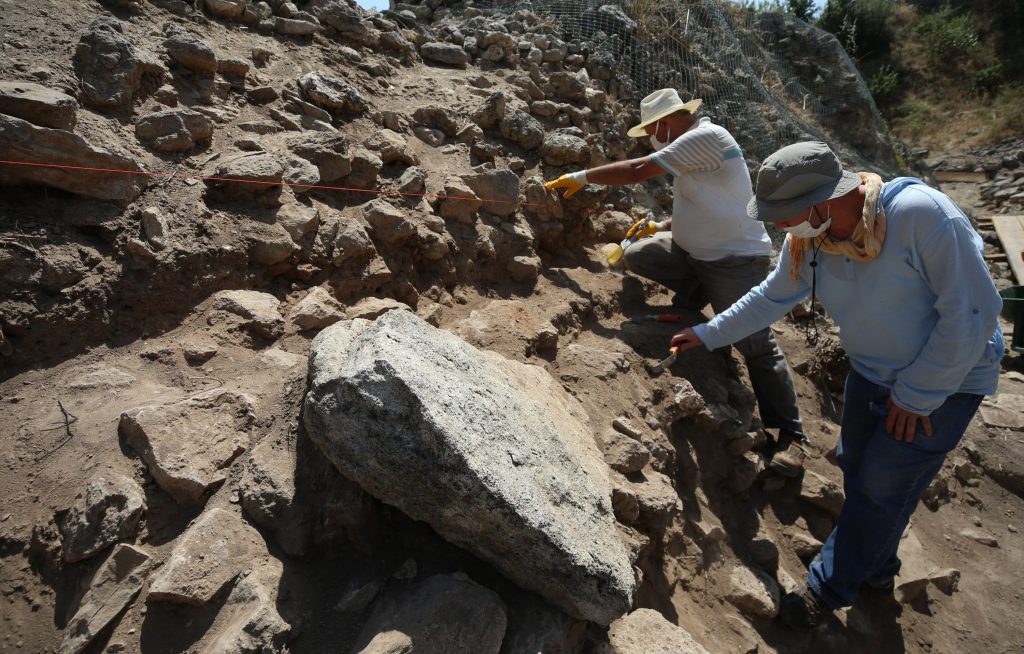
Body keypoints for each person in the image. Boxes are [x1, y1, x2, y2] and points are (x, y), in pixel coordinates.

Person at [669, 140, 1005, 628]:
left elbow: (971, 316)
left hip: (947, 383)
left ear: (826, 200)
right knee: (857, 468)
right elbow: (770, 297)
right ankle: (876, 566)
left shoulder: (922, 217)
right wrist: (707, 332)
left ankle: (825, 591)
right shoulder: (811, 238)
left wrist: (918, 396)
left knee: (880, 484)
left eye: (785, 214)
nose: (780, 226)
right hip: (873, 370)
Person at [545, 88, 807, 470]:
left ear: (664, 124)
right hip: (696, 255)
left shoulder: (705, 137)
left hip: (733, 261)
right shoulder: (695, 143)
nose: (652, 138)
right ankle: (694, 306)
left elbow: (637, 170)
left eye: (652, 130)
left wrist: (581, 177)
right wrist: (662, 225)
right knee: (640, 253)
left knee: (755, 343)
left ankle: (791, 436)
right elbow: (707, 200)